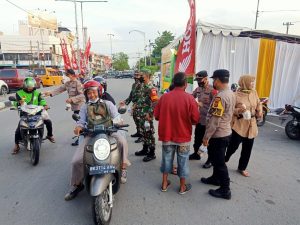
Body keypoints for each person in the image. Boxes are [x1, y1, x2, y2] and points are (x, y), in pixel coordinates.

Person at [64, 80, 130, 201]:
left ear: (99, 92)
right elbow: (81, 122)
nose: (92, 95)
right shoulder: (84, 107)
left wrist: (119, 123)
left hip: (109, 133)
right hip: (91, 135)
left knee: (122, 141)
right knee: (76, 160)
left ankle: (123, 167)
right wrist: (78, 127)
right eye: (89, 93)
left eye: (94, 92)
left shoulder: (108, 104)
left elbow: (116, 117)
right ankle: (76, 185)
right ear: (86, 94)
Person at [154, 72, 199, 194]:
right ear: (185, 84)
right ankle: (182, 187)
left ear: (173, 83)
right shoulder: (190, 98)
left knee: (166, 159)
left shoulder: (164, 97)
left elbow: (156, 116)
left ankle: (164, 183)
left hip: (167, 135)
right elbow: (195, 119)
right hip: (183, 137)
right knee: (183, 161)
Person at [201, 69, 236, 200]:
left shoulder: (220, 96)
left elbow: (215, 120)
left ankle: (225, 190)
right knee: (216, 159)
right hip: (226, 132)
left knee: (220, 163)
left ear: (218, 80)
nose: (213, 82)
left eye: (213, 79)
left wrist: (206, 137)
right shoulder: (231, 93)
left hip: (218, 134)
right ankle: (215, 179)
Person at [225, 75, 262, 177]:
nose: (253, 84)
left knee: (247, 148)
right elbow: (230, 109)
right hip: (239, 125)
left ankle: (242, 168)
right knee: (233, 146)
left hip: (252, 125)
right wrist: (239, 110)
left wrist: (260, 111)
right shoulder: (235, 95)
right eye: (251, 82)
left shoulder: (254, 92)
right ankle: (225, 159)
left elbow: (259, 103)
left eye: (253, 82)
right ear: (245, 83)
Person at [12, 77, 55, 154]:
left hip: (37, 112)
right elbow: (15, 102)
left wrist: (45, 105)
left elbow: (41, 100)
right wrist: (18, 103)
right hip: (25, 114)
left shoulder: (37, 93)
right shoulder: (19, 93)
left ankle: (50, 135)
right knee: (18, 129)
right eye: (28, 87)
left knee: (48, 121)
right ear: (25, 86)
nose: (30, 88)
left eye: (31, 87)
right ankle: (16, 144)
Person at [44, 69, 85, 146]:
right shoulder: (67, 83)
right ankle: (81, 138)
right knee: (78, 122)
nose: (67, 76)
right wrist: (50, 93)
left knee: (80, 123)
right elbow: (59, 89)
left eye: (68, 75)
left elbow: (82, 95)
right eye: (66, 75)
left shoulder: (78, 83)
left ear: (72, 75)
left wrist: (71, 99)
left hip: (80, 106)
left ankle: (80, 139)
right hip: (75, 107)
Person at [189, 70, 216, 170]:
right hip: (200, 119)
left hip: (209, 121)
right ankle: (196, 154)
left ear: (206, 78)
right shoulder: (198, 89)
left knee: (208, 142)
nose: (198, 82)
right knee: (197, 139)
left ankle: (210, 160)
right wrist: (194, 103)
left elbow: (217, 106)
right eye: (197, 80)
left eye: (200, 80)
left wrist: (204, 106)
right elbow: (191, 97)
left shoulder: (212, 90)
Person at [135, 69, 159, 162]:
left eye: (142, 76)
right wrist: (136, 106)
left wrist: (150, 113)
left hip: (147, 115)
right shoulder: (142, 86)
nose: (140, 77)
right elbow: (141, 99)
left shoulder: (151, 88)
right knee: (143, 132)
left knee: (149, 133)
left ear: (147, 76)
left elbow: (155, 102)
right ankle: (145, 149)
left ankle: (152, 153)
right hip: (141, 114)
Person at [120, 72, 142, 138]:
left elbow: (142, 97)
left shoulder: (142, 85)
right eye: (135, 75)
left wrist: (136, 105)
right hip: (134, 105)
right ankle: (138, 132)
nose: (136, 77)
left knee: (140, 121)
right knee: (136, 119)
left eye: (138, 75)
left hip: (140, 105)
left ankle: (142, 135)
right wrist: (125, 102)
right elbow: (131, 95)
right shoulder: (134, 85)